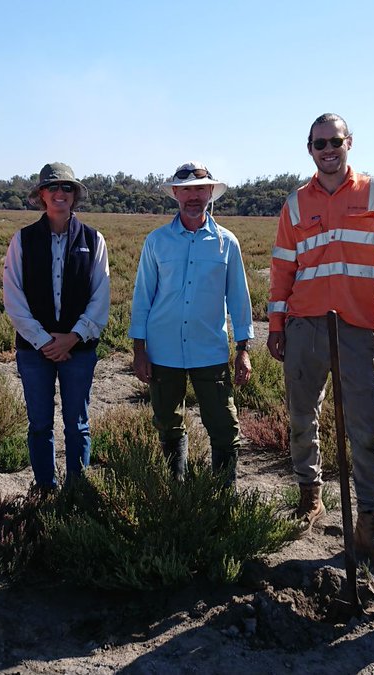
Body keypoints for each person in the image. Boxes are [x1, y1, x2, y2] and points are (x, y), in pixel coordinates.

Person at [266, 113, 374, 580]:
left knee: (368, 423)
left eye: (335, 141)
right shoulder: (295, 203)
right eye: (320, 143)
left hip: (358, 326)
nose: (328, 150)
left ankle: (371, 526)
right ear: (309, 148)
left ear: (349, 143)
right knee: (301, 416)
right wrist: (276, 324)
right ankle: (310, 497)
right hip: (305, 325)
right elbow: (283, 268)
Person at [130, 161, 254, 484]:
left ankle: (222, 496)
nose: (193, 196)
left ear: (210, 192)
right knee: (167, 422)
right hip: (164, 350)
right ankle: (177, 489)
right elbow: (142, 297)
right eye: (186, 190)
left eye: (200, 189)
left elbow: (239, 299)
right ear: (175, 193)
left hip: (209, 349)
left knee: (224, 425)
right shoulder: (157, 241)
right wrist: (139, 350)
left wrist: (243, 349)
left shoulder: (227, 243)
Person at [3, 163, 110, 493]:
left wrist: (74, 337)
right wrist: (43, 340)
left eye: (66, 188)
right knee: (39, 424)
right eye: (53, 187)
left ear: (74, 195)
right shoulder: (22, 239)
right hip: (34, 352)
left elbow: (100, 295)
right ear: (41, 195)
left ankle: (77, 491)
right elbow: (13, 296)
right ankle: (45, 489)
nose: (60, 193)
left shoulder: (93, 239)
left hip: (79, 351)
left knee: (77, 424)